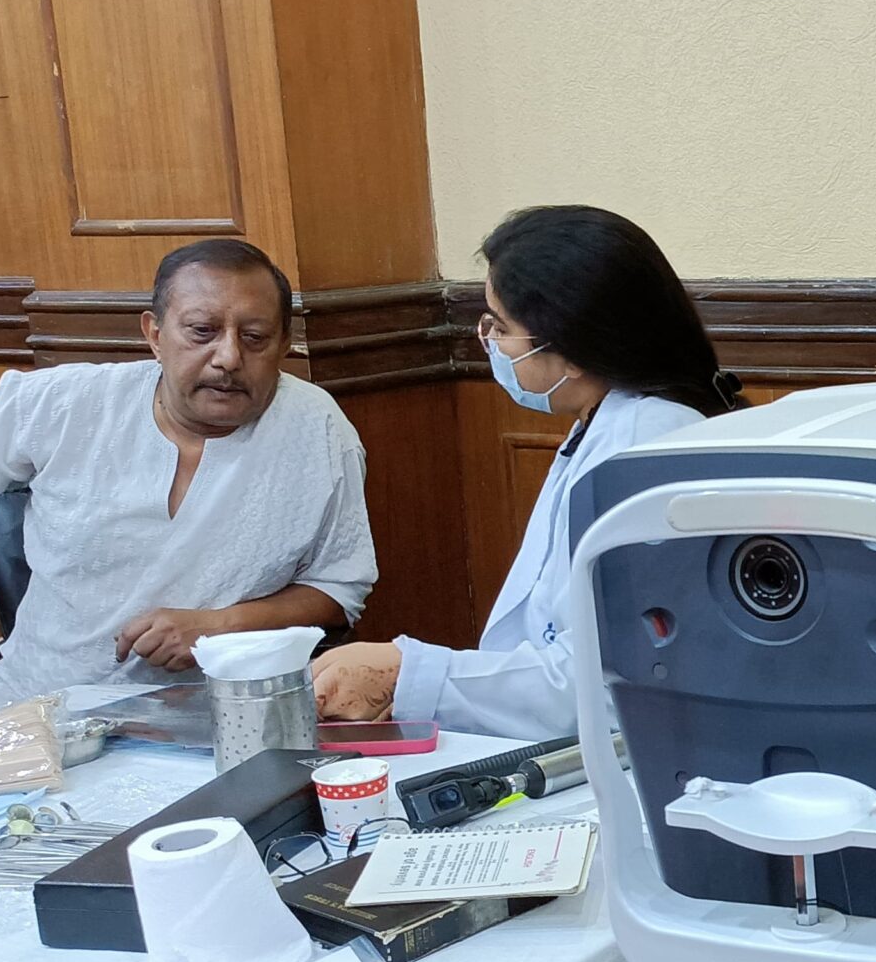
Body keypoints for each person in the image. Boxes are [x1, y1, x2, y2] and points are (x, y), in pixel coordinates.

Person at [0, 240, 377, 715]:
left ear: (284, 346)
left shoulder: (316, 428)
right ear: (154, 334)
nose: (229, 358)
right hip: (32, 704)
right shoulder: (64, 401)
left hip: (223, 715)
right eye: (202, 332)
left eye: (255, 337)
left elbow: (339, 587)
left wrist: (218, 627)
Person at [310, 205, 744, 738]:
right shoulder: (606, 421)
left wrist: (409, 674)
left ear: (575, 347)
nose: (488, 340)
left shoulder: (643, 450)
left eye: (501, 326)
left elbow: (606, 685)